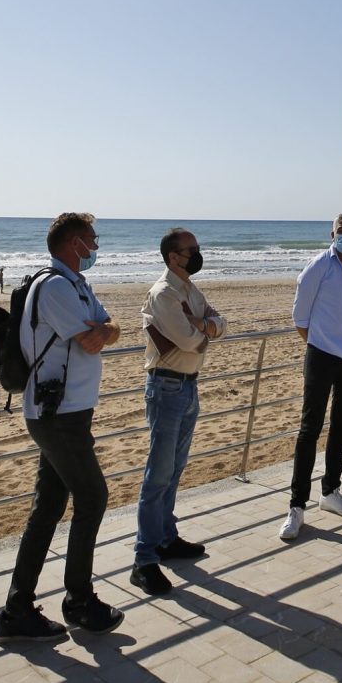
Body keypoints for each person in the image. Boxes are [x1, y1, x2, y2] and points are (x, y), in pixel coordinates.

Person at [0, 212, 122, 643]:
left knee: (49, 505)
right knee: (92, 497)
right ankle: (79, 601)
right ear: (72, 243)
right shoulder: (54, 287)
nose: (96, 246)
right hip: (58, 415)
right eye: (91, 239)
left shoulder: (76, 285)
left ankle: (17, 609)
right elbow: (90, 337)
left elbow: (110, 329)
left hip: (69, 413)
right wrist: (101, 331)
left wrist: (103, 330)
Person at [130, 228, 225, 596]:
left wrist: (203, 326)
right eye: (192, 249)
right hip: (167, 386)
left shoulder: (189, 290)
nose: (198, 253)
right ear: (174, 256)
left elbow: (217, 323)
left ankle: (166, 538)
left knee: (174, 470)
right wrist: (205, 329)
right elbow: (190, 340)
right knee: (158, 474)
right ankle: (144, 559)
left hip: (187, 384)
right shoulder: (164, 294)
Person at [279, 213, 342, 543]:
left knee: (341, 426)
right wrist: (320, 344)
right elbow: (299, 315)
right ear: (331, 233)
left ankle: (331, 490)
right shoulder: (319, 265)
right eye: (340, 231)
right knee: (309, 428)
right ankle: (296, 506)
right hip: (321, 354)